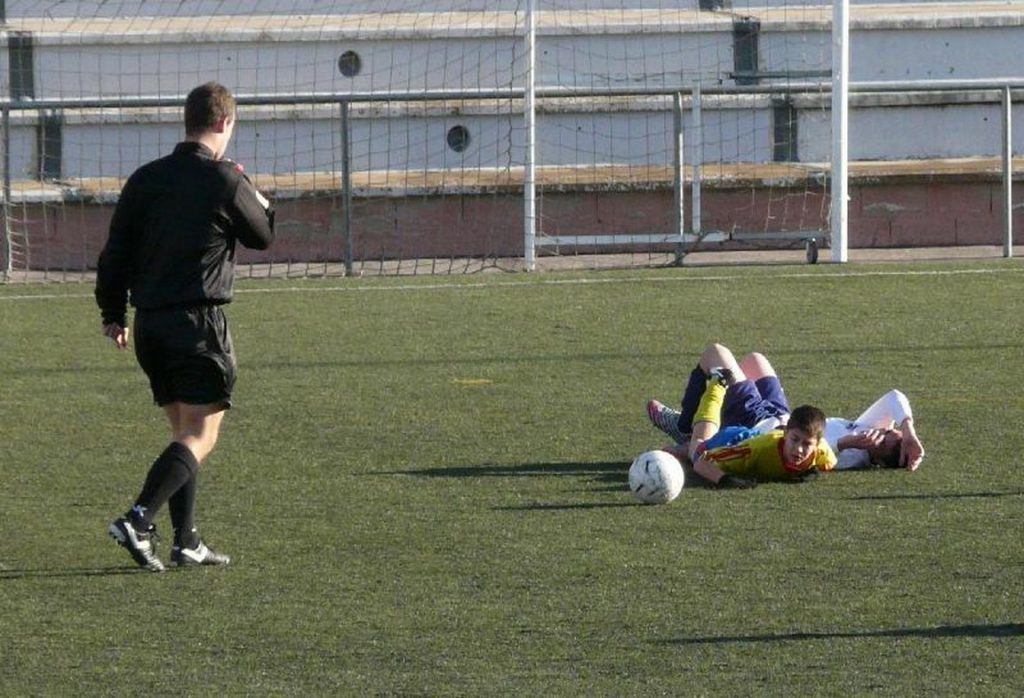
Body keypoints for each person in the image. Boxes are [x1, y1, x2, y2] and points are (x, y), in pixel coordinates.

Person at [95, 81, 275, 572]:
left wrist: (112, 313)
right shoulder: (225, 180)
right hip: (197, 322)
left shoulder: (145, 178)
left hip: (150, 326)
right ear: (224, 123)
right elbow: (263, 235)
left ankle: (187, 541)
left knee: (182, 432)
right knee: (201, 435)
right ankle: (139, 518)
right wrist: (248, 186)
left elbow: (114, 255)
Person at [647, 343, 924, 471]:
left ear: (881, 456)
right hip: (784, 413)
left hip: (756, 421)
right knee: (755, 359)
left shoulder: (856, 454)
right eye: (894, 432)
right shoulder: (875, 430)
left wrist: (849, 442)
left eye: (892, 440)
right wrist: (909, 431)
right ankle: (701, 426)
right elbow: (894, 397)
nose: (890, 432)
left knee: (716, 354)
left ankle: (683, 427)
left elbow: (807, 454)